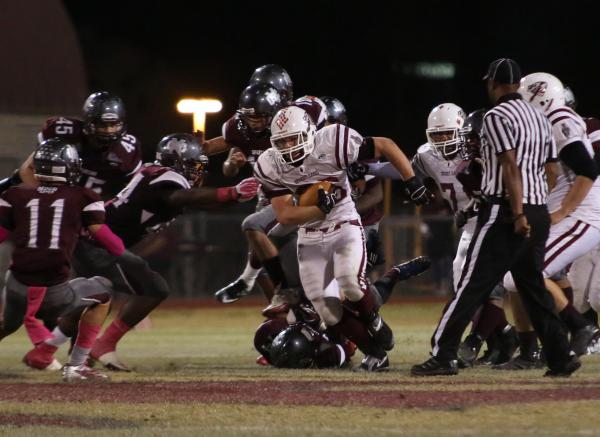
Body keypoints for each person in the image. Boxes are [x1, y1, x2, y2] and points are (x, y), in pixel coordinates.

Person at [411, 58, 579, 377]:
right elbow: (553, 171)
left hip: (506, 212)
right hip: (538, 208)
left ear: (492, 84)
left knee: (472, 284)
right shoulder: (539, 117)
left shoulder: (496, 116)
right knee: (532, 288)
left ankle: (443, 353)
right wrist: (534, 205)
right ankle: (560, 356)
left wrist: (517, 212)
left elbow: (509, 166)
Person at [254, 105, 429, 371]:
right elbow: (286, 215)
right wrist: (318, 208)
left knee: (350, 282)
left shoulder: (333, 141)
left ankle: (375, 323)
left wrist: (412, 180)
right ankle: (376, 354)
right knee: (326, 308)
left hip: (343, 223)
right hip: (309, 233)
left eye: (294, 138)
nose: (289, 146)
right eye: (282, 141)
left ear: (311, 133)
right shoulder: (269, 164)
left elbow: (386, 145)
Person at [496, 72, 600, 368]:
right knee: (515, 275)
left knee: (531, 273)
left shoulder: (557, 118)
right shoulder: (542, 124)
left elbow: (587, 169)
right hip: (564, 213)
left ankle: (579, 327)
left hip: (584, 214)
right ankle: (530, 351)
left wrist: (563, 211)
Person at [0, 138, 122, 381]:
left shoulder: (15, 195)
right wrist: (124, 254)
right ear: (71, 167)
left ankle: (50, 352)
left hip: (16, 285)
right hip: (52, 290)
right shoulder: (83, 196)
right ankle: (76, 367)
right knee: (103, 291)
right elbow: (108, 241)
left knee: (8, 325)